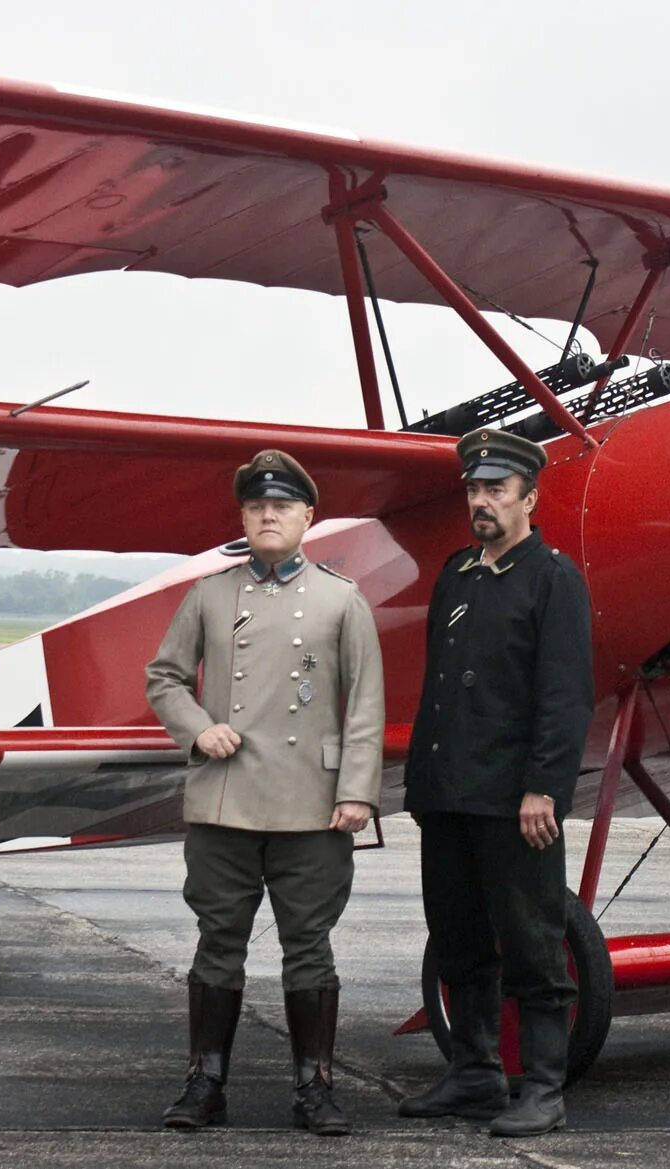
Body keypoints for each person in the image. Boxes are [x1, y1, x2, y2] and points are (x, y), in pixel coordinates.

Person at [146, 448, 384, 1136]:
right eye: (257, 506)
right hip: (225, 800)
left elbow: (365, 702)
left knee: (309, 944)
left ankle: (316, 1087)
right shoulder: (210, 595)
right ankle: (205, 1082)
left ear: (308, 517)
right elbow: (163, 677)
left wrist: (358, 791)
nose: (269, 514)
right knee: (219, 940)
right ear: (244, 517)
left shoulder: (343, 599)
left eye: (282, 506)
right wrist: (198, 728)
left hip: (312, 805)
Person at [398, 427, 595, 1138]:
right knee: (457, 937)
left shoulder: (553, 578)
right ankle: (475, 1071)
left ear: (529, 498)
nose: (482, 501)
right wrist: (424, 784)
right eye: (475, 489)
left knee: (533, 941)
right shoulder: (458, 573)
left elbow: (565, 694)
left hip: (516, 802)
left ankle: (543, 1084)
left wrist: (545, 784)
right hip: (448, 792)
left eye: (497, 490)